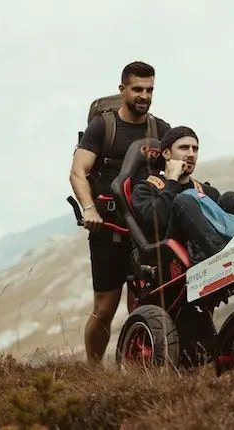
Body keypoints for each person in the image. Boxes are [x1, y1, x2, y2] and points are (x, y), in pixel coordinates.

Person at [69, 61, 172, 365]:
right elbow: (78, 171)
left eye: (149, 89)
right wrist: (89, 208)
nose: (144, 95)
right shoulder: (103, 127)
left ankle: (141, 370)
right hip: (109, 229)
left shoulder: (160, 129)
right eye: (138, 89)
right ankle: (92, 370)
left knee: (146, 304)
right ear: (123, 89)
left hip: (147, 230)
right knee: (105, 307)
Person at [131, 126, 234, 263]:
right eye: (184, 148)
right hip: (172, 255)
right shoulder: (145, 188)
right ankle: (224, 257)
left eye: (195, 149)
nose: (191, 154)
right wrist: (173, 180)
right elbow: (156, 221)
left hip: (208, 248)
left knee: (230, 198)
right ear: (167, 153)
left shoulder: (206, 191)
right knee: (184, 200)